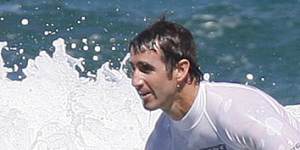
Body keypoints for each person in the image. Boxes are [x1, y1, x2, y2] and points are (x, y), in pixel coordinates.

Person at [128, 17, 300, 150]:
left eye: (146, 69)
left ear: (180, 70)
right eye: (133, 69)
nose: (135, 81)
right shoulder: (161, 141)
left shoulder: (238, 112)